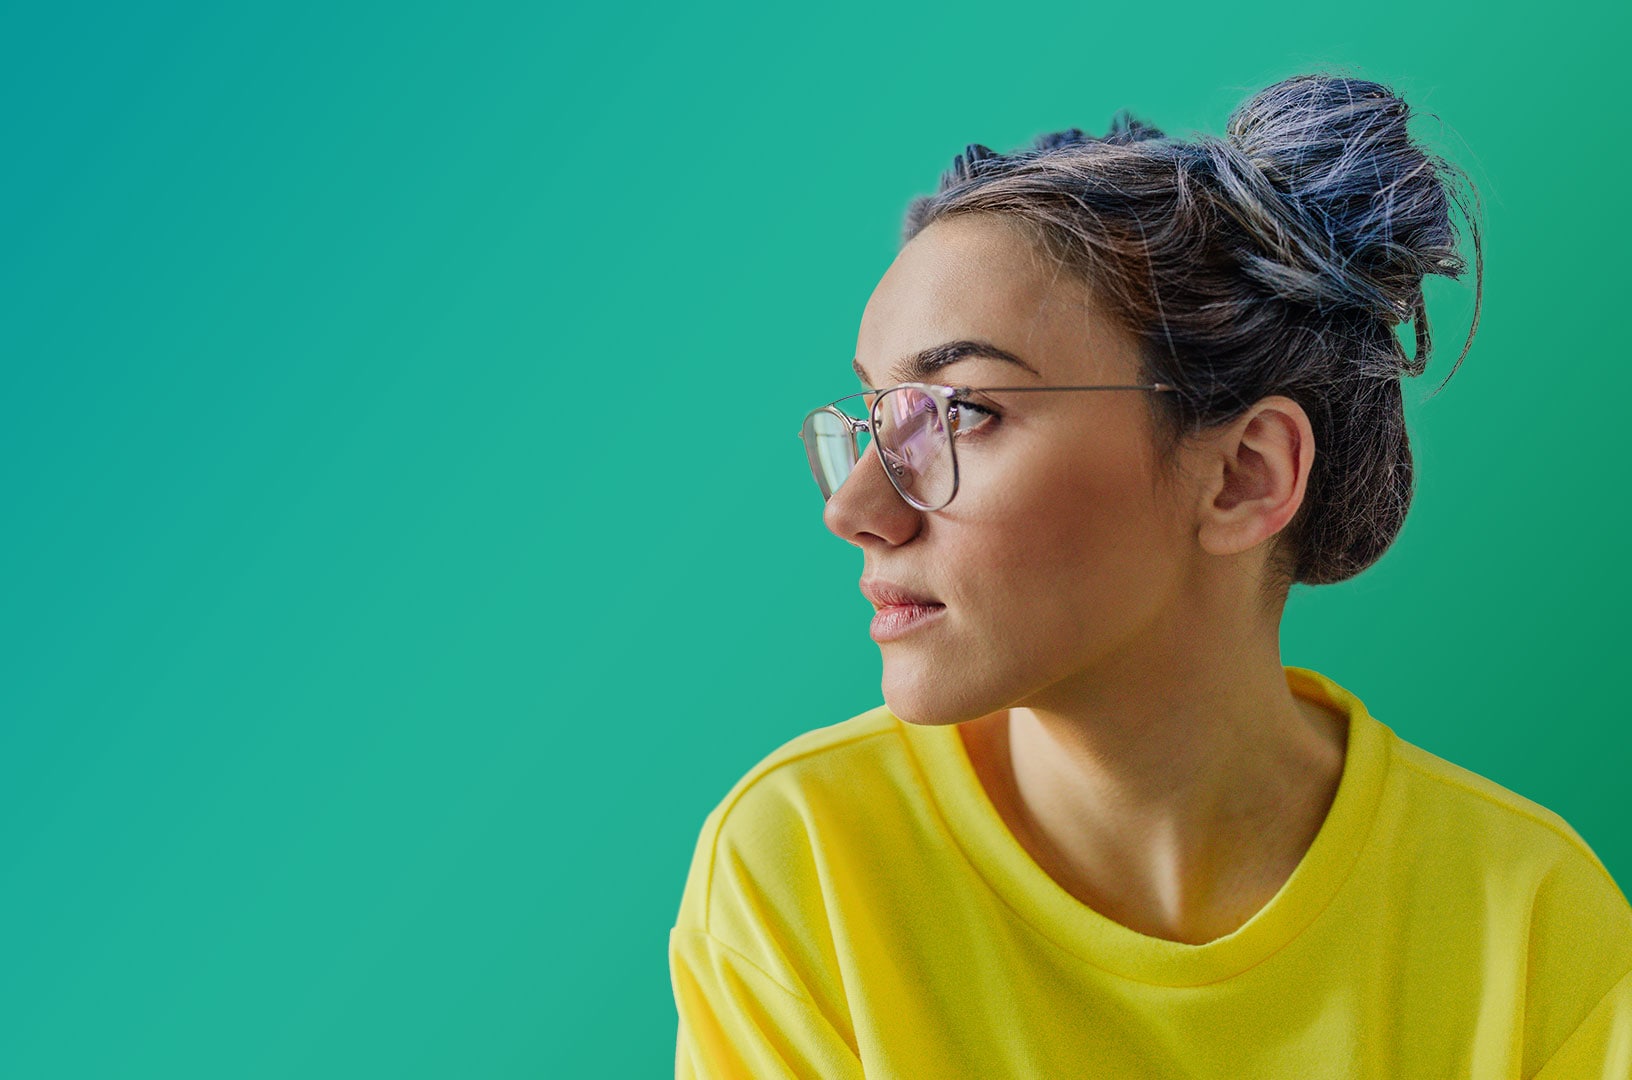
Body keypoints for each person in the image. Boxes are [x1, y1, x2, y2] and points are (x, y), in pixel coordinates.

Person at [668, 73, 1632, 1078]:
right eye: (873, 420)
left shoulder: (1528, 920)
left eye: (959, 412)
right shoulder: (807, 865)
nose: (854, 510)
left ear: (1244, 476)